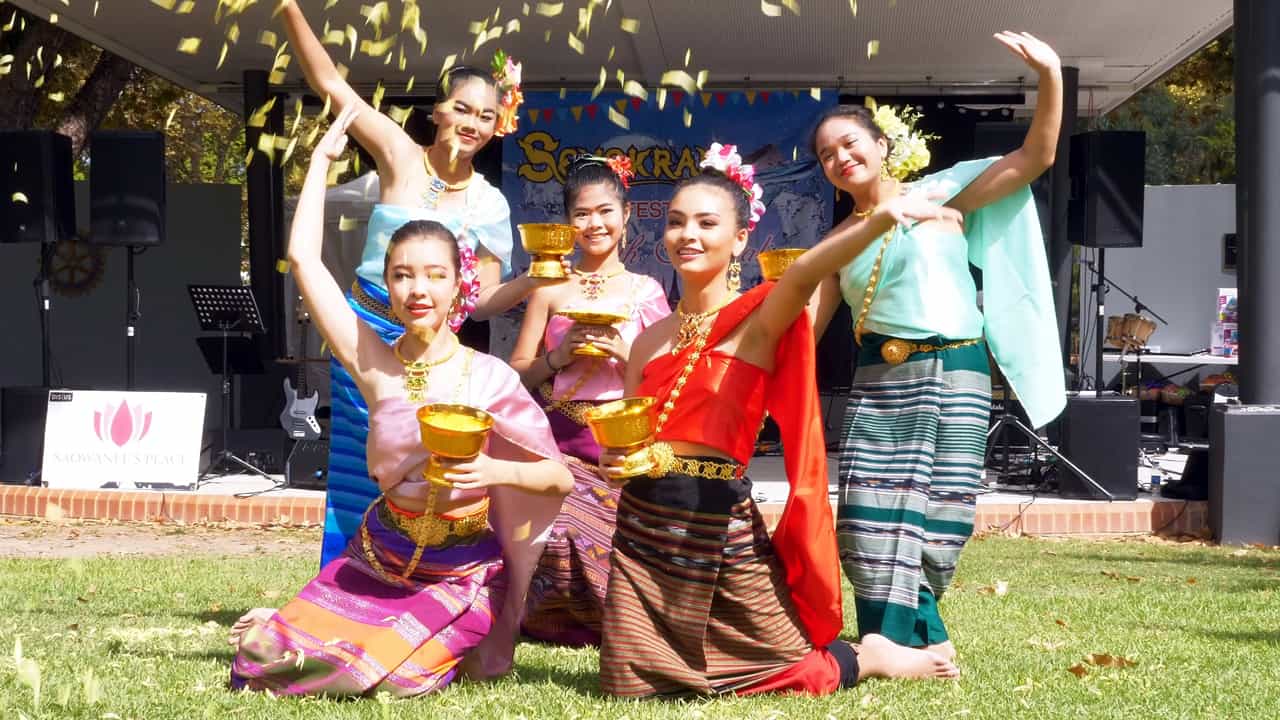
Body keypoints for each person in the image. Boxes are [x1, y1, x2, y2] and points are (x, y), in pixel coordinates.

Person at [230, 107, 573, 696]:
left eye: (435, 276)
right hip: (379, 557)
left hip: (463, 569)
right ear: (386, 285)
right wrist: (319, 165)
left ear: (459, 287)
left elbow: (557, 479)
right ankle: (297, 624)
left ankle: (423, 634)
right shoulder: (374, 364)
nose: (419, 290)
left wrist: (492, 469)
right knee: (262, 660)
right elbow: (306, 261)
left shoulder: (487, 377)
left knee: (398, 680)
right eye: (404, 275)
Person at [598, 143, 960, 698]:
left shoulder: (756, 321)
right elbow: (624, 438)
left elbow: (808, 271)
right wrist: (615, 460)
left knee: (798, 672)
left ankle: (874, 655)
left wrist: (878, 218)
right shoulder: (647, 339)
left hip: (720, 526)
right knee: (633, 686)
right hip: (644, 525)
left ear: (740, 238)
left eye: (706, 222)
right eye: (675, 222)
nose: (687, 234)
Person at [809, 32, 1066, 664]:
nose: (840, 157)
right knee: (868, 512)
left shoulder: (939, 193)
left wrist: (1051, 75)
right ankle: (902, 645)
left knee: (943, 515)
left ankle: (918, 638)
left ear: (881, 146)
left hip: (958, 371)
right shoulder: (835, 242)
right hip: (879, 381)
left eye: (850, 143)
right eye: (826, 155)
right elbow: (803, 330)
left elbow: (1035, 157)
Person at [277, 2, 556, 565]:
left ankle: (414, 567)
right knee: (358, 459)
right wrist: (287, 9)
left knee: (414, 462)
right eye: (462, 108)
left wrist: (531, 280)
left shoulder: (491, 203)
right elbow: (332, 83)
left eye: (484, 115)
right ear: (439, 111)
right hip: (365, 329)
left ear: (498, 124)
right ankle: (344, 571)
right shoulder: (400, 157)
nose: (472, 124)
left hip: (433, 347)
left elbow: (480, 305)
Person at [509, 155, 671, 646]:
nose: (594, 224)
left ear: (625, 216)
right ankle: (552, 620)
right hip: (560, 444)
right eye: (581, 214)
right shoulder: (549, 288)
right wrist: (558, 357)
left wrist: (626, 358)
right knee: (562, 533)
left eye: (605, 211)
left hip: (623, 449)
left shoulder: (647, 291)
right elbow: (516, 375)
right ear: (567, 223)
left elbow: (665, 381)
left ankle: (621, 620)